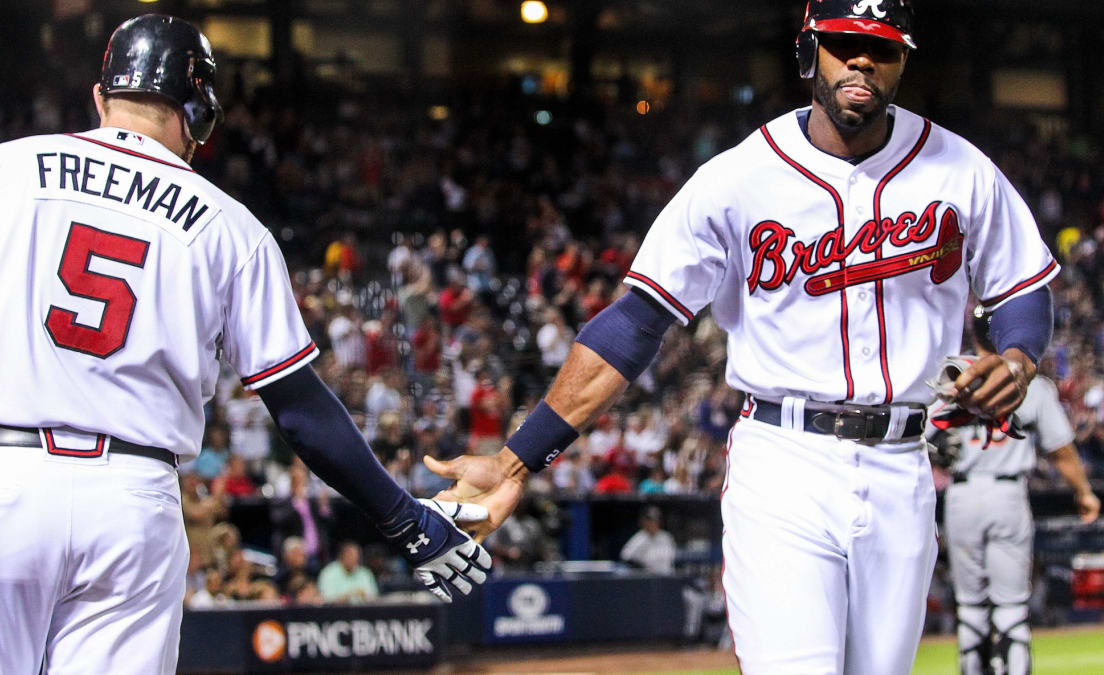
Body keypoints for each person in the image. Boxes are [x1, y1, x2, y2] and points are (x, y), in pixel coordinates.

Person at [424, 1, 1059, 673]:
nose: (862, 60)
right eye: (843, 43)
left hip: (904, 465)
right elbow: (636, 323)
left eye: (882, 46)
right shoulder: (737, 178)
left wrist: (1017, 360)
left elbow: (1022, 287)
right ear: (808, 52)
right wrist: (518, 459)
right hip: (786, 462)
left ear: (904, 59)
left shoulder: (961, 169)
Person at [0, 15, 489, 674]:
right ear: (199, 113)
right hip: (132, 500)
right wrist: (404, 517)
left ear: (100, 97)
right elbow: (299, 409)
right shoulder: (232, 228)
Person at [934, 307, 1100, 675]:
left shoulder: (949, 376)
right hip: (1008, 495)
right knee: (1011, 607)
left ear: (974, 331)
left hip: (962, 496)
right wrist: (1084, 493)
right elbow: (1061, 451)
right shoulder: (1033, 385)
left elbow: (920, 440)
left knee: (972, 608)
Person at [619, 506, 677, 574]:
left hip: (666, 576)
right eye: (649, 521)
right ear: (643, 522)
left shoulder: (666, 537)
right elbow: (625, 556)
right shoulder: (639, 538)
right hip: (647, 578)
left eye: (655, 520)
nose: (652, 523)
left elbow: (671, 558)